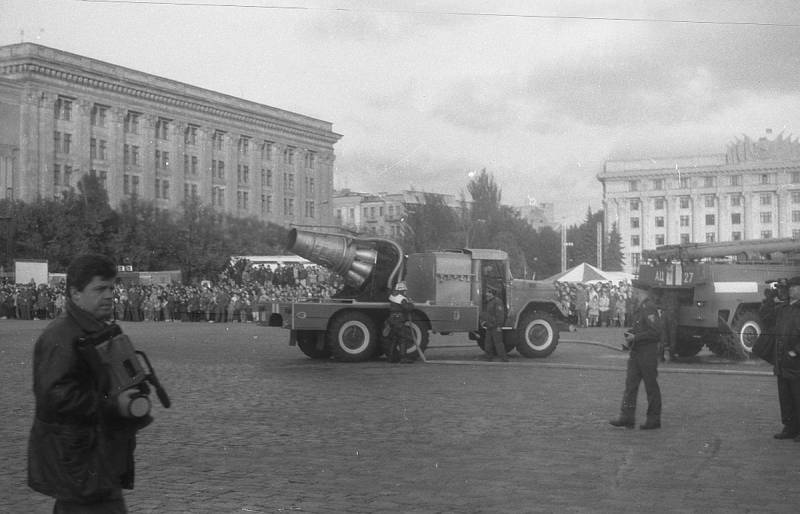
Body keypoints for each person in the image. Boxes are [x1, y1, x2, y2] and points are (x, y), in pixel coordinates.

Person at [28, 254, 152, 513]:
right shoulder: (60, 336)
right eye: (99, 289)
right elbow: (55, 397)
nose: (109, 295)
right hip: (79, 459)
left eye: (111, 288)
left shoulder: (92, 329)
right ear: (75, 293)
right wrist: (112, 403)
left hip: (95, 455)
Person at [610, 280, 662, 430]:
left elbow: (656, 332)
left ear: (641, 292)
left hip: (647, 354)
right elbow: (641, 328)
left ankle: (653, 419)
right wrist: (631, 335)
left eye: (634, 291)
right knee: (630, 386)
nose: (632, 294)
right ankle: (627, 417)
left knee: (651, 387)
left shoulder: (649, 308)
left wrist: (636, 338)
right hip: (637, 353)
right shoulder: (639, 308)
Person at [771, 276, 800, 441]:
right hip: (782, 361)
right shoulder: (783, 308)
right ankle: (790, 427)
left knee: (798, 396)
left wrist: (797, 351)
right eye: (790, 287)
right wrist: (770, 298)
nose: (791, 290)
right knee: (786, 397)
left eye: (795, 287)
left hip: (796, 361)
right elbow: (766, 316)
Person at [385, 281, 416, 363]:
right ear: (402, 290)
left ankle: (390, 358)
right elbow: (408, 308)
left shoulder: (392, 296)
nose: (405, 292)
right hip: (398, 320)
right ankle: (403, 358)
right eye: (405, 290)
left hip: (392, 319)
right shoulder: (401, 299)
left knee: (394, 339)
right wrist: (411, 304)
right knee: (403, 338)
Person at [481, 285, 508, 362]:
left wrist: (498, 325)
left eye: (488, 293)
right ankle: (489, 357)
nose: (486, 294)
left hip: (495, 326)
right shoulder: (490, 302)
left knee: (498, 343)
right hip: (490, 326)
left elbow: (500, 315)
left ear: (492, 294)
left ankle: (504, 358)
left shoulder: (497, 302)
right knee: (488, 343)